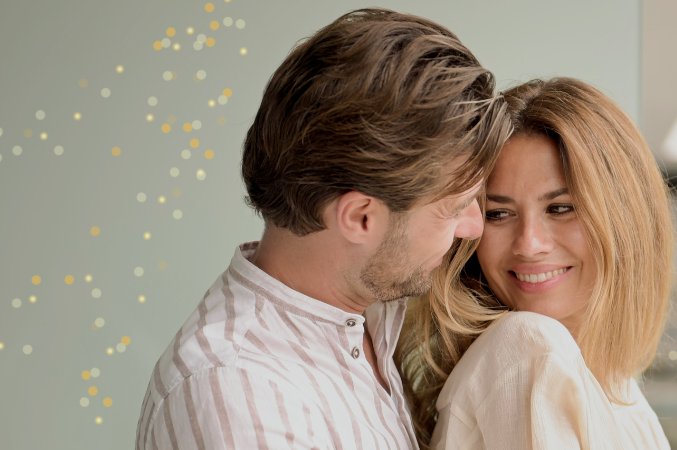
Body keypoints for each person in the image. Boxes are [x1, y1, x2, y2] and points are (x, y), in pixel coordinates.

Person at [134, 8, 510, 449]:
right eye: (454, 207)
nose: (473, 227)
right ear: (360, 218)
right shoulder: (242, 397)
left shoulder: (372, 311)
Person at [396, 78, 675, 449]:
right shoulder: (531, 347)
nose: (529, 244)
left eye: (560, 208)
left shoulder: (622, 391)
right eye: (497, 214)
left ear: (624, 218)